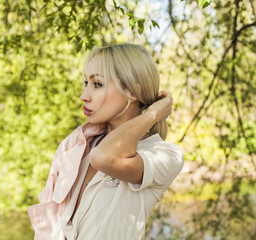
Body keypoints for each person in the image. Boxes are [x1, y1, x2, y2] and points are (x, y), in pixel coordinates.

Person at [28, 43, 184, 240]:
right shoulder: (76, 147)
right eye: (86, 83)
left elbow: (104, 157)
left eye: (98, 84)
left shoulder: (164, 155)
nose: (83, 96)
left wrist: (152, 114)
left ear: (133, 92)